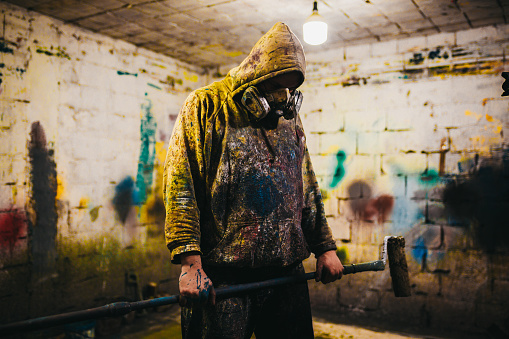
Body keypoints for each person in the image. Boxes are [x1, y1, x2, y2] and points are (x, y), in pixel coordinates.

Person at [163, 22, 344, 339]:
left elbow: (307, 186)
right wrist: (190, 263)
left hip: (287, 273)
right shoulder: (205, 106)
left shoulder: (289, 117)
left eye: (289, 90)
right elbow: (181, 187)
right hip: (223, 277)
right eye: (276, 87)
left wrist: (325, 247)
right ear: (256, 75)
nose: (282, 99)